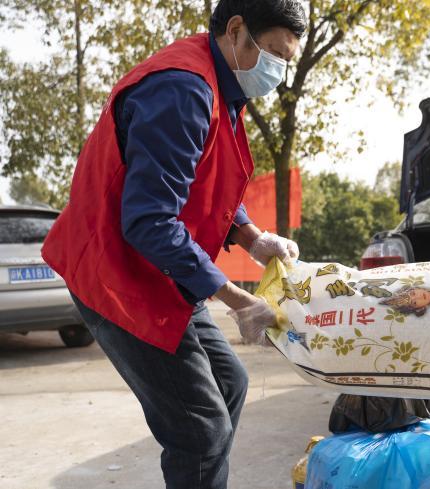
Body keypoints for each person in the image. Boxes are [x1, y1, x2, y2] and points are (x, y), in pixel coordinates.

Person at [41, 1, 306, 487]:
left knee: (229, 383)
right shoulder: (183, 89)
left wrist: (252, 238)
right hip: (116, 272)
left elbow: (201, 184)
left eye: (286, 59)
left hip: (160, 267)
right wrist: (235, 297)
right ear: (236, 30)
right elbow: (148, 220)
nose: (279, 71)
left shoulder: (219, 87)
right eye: (272, 53)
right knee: (199, 429)